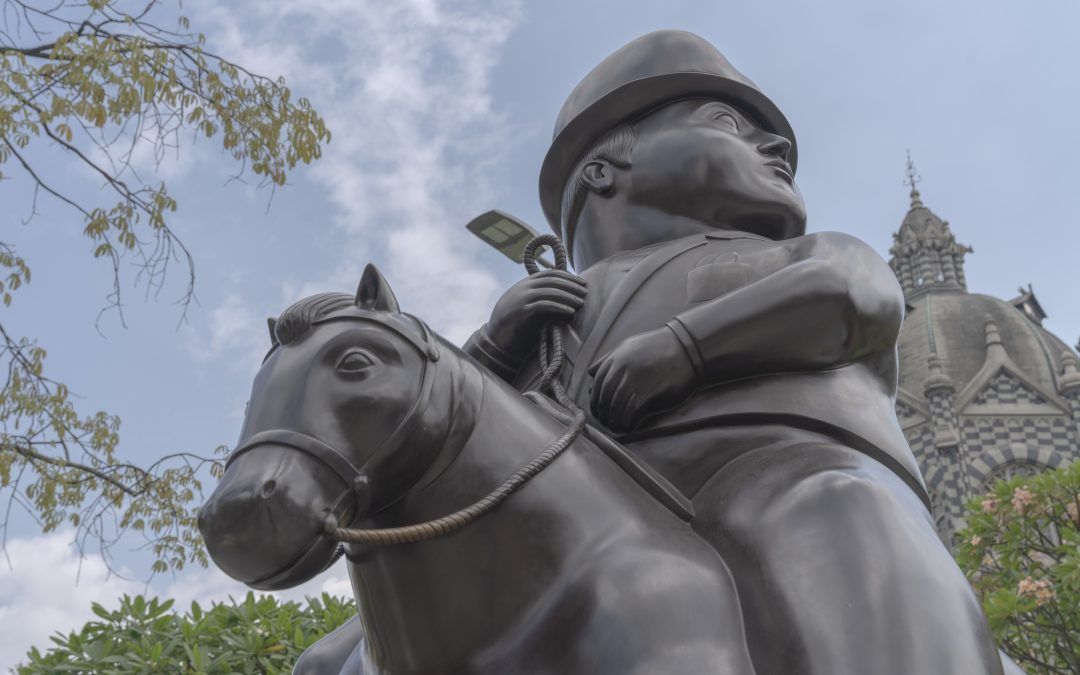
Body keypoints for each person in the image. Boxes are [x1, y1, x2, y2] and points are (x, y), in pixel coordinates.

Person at [464, 30, 1010, 674]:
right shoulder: (549, 317)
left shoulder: (793, 257)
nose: (777, 145)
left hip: (790, 484)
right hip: (591, 535)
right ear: (601, 170)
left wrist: (686, 348)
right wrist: (492, 351)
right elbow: (454, 439)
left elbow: (851, 292)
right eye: (728, 122)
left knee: (844, 513)